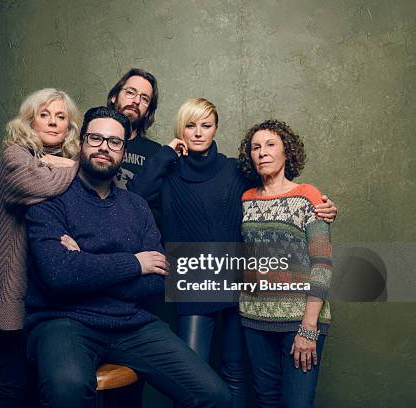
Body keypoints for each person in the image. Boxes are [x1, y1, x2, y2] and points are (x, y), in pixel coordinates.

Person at [128, 98, 337, 407]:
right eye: (190, 125)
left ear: (215, 129)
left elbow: (281, 190)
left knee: (236, 372)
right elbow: (135, 196)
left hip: (238, 285)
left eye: (206, 125)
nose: (198, 133)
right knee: (191, 375)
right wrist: (167, 152)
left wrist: (323, 206)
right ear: (180, 130)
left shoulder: (234, 170)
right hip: (193, 283)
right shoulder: (169, 173)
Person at [24, 106, 231, 408]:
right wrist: (134, 263)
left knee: (214, 395)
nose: (104, 147)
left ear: (123, 152)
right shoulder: (49, 198)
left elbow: (158, 281)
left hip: (132, 324)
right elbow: (59, 274)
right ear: (80, 143)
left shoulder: (137, 206)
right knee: (67, 389)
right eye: (95, 138)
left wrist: (87, 263)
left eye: (114, 142)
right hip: (63, 320)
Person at [0, 88, 81, 407]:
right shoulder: (14, 155)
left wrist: (60, 162)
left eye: (61, 117)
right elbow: (38, 184)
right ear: (30, 120)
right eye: (45, 115)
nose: (53, 122)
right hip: (17, 283)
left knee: (52, 384)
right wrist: (77, 165)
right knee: (13, 381)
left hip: (53, 288)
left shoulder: (68, 163)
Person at [237, 119, 332, 408]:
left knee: (297, 403)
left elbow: (322, 264)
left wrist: (308, 327)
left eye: (270, 144)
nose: (262, 152)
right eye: (255, 147)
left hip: (299, 321)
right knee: (266, 401)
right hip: (254, 318)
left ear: (286, 152)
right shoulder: (246, 199)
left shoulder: (309, 197)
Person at [107, 68, 162, 188]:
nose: (136, 101)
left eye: (144, 99)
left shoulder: (156, 153)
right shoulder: (92, 141)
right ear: (114, 97)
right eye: (130, 92)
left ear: (148, 111)